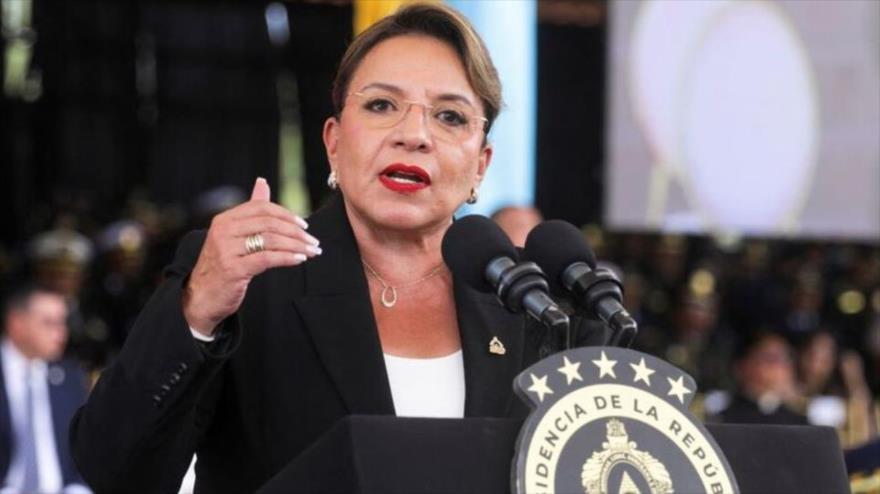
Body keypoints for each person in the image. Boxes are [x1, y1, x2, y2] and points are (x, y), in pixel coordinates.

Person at [70, 4, 603, 492]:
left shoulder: (535, 306)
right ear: (333, 142)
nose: (414, 134)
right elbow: (113, 469)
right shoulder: (252, 278)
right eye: (381, 104)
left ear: (480, 166)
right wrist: (198, 310)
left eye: (450, 116)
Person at [1, 284, 91, 493]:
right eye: (49, 323)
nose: (62, 333)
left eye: (63, 322)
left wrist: (77, 489)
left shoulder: (70, 378)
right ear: (16, 323)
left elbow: (84, 451)